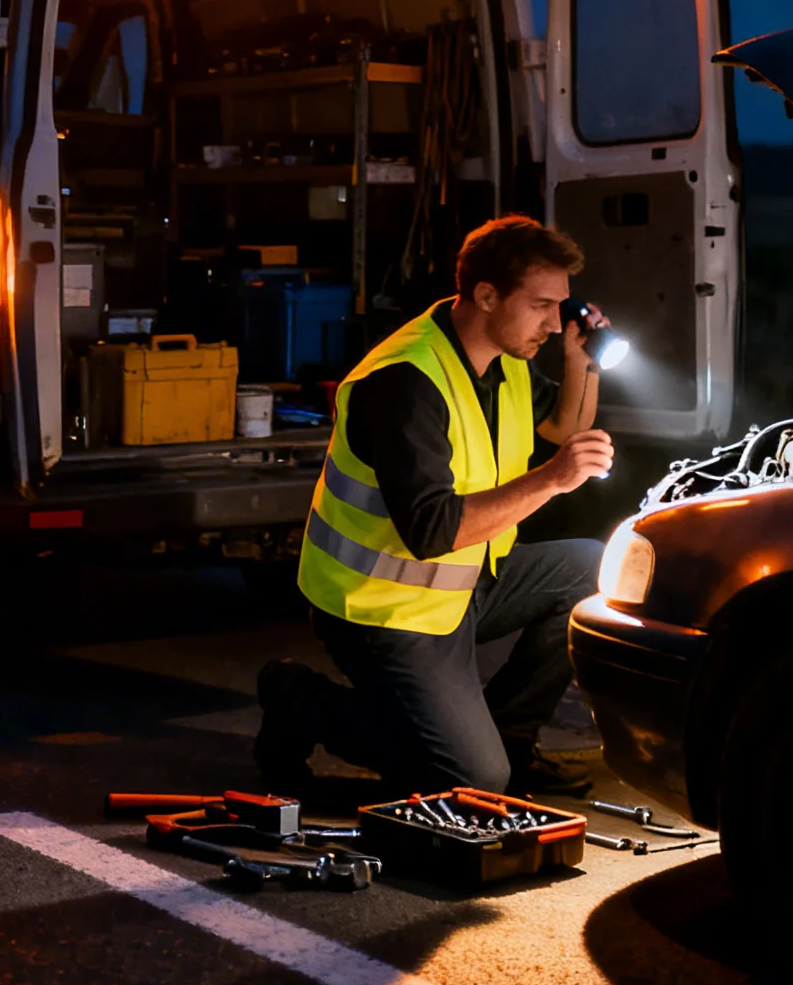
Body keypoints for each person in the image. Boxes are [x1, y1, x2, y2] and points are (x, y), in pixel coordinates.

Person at [258, 215, 615, 797]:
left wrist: (584, 359)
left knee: (595, 569)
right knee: (469, 780)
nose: (554, 323)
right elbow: (431, 531)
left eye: (562, 306)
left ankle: (510, 741)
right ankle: (302, 702)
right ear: (485, 295)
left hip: (463, 583)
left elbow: (562, 426)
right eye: (541, 305)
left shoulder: (506, 359)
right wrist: (552, 480)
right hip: (383, 606)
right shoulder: (405, 382)